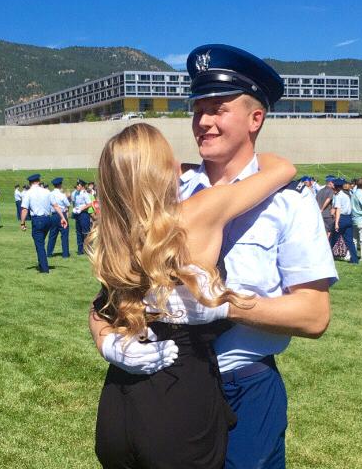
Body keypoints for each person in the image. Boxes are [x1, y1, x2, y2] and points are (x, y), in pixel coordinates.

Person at [90, 44, 338, 469]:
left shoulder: (289, 205)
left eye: (218, 108)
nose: (202, 121)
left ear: (255, 118)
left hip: (245, 386)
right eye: (197, 108)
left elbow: (314, 316)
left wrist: (225, 306)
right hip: (164, 387)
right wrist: (108, 341)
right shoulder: (167, 190)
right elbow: (105, 301)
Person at [89, 123, 296, 469]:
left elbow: (100, 309)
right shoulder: (201, 210)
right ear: (164, 167)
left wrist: (108, 344)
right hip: (179, 396)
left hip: (119, 402)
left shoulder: (116, 233)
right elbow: (283, 169)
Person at [20, 173, 67, 273]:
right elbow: (55, 206)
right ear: (39, 181)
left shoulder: (28, 193)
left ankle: (45, 269)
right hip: (48, 219)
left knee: (40, 244)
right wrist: (62, 217)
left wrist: (22, 223)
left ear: (30, 183)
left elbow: (24, 209)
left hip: (37, 220)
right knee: (40, 242)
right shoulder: (47, 191)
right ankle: (41, 263)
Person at [330, 178, 359, 264]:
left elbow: (338, 209)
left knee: (332, 239)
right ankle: (354, 259)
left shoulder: (339, 196)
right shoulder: (348, 194)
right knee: (349, 240)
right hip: (349, 218)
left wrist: (336, 223)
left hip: (341, 218)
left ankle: (327, 256)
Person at [47, 177, 70, 258]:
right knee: (64, 235)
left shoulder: (50, 194)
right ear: (60, 185)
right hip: (62, 214)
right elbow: (67, 204)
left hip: (53, 215)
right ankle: (65, 254)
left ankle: (49, 252)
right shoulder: (62, 195)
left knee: (52, 235)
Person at [72, 179, 92, 255]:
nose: (77, 186)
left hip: (84, 214)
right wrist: (75, 209)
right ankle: (80, 250)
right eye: (77, 185)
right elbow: (74, 203)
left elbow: (89, 204)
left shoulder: (85, 194)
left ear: (82, 186)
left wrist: (81, 208)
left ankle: (87, 249)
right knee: (78, 232)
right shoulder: (76, 193)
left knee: (85, 232)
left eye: (78, 185)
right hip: (78, 214)